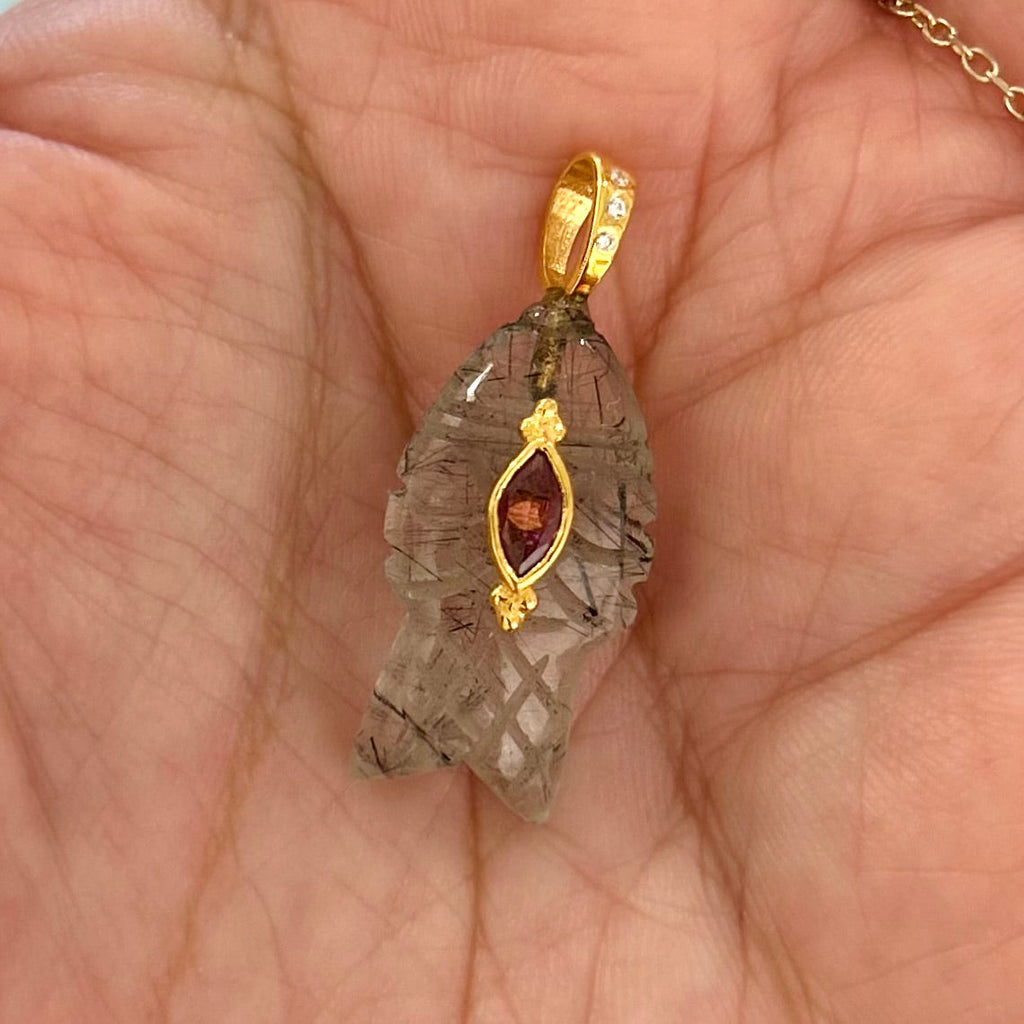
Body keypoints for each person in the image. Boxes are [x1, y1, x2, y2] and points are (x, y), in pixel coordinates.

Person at [0, 0, 1021, 1019]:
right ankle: (434, 731)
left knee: (525, 683)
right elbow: (444, 484)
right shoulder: (528, 377)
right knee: (453, 654)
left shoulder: (578, 388)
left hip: (538, 635)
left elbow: (598, 533)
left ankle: (498, 746)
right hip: (459, 618)